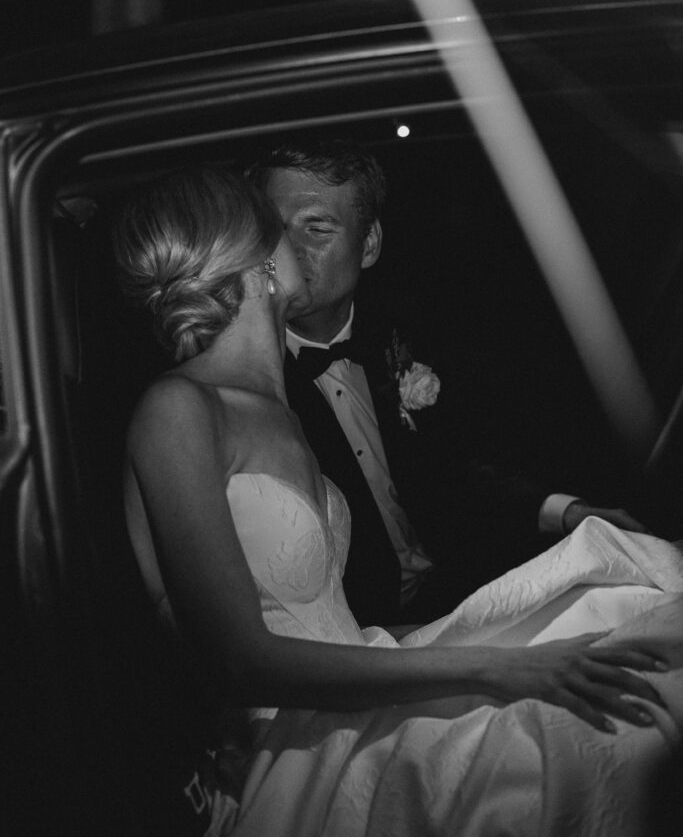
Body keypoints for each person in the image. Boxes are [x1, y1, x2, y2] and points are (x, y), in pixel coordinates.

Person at [113, 164, 683, 837]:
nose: (301, 244)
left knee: (630, 610)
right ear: (257, 261)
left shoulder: (276, 410)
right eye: (282, 229)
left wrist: (506, 622)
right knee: (589, 744)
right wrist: (495, 667)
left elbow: (325, 615)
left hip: (359, 678)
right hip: (294, 744)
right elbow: (239, 661)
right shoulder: (178, 408)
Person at [249, 140, 649, 625]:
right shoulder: (250, 383)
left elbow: (452, 473)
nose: (286, 251)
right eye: (273, 228)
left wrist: (564, 511)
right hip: (359, 632)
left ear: (369, 244)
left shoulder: (409, 332)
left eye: (316, 228)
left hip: (462, 591)